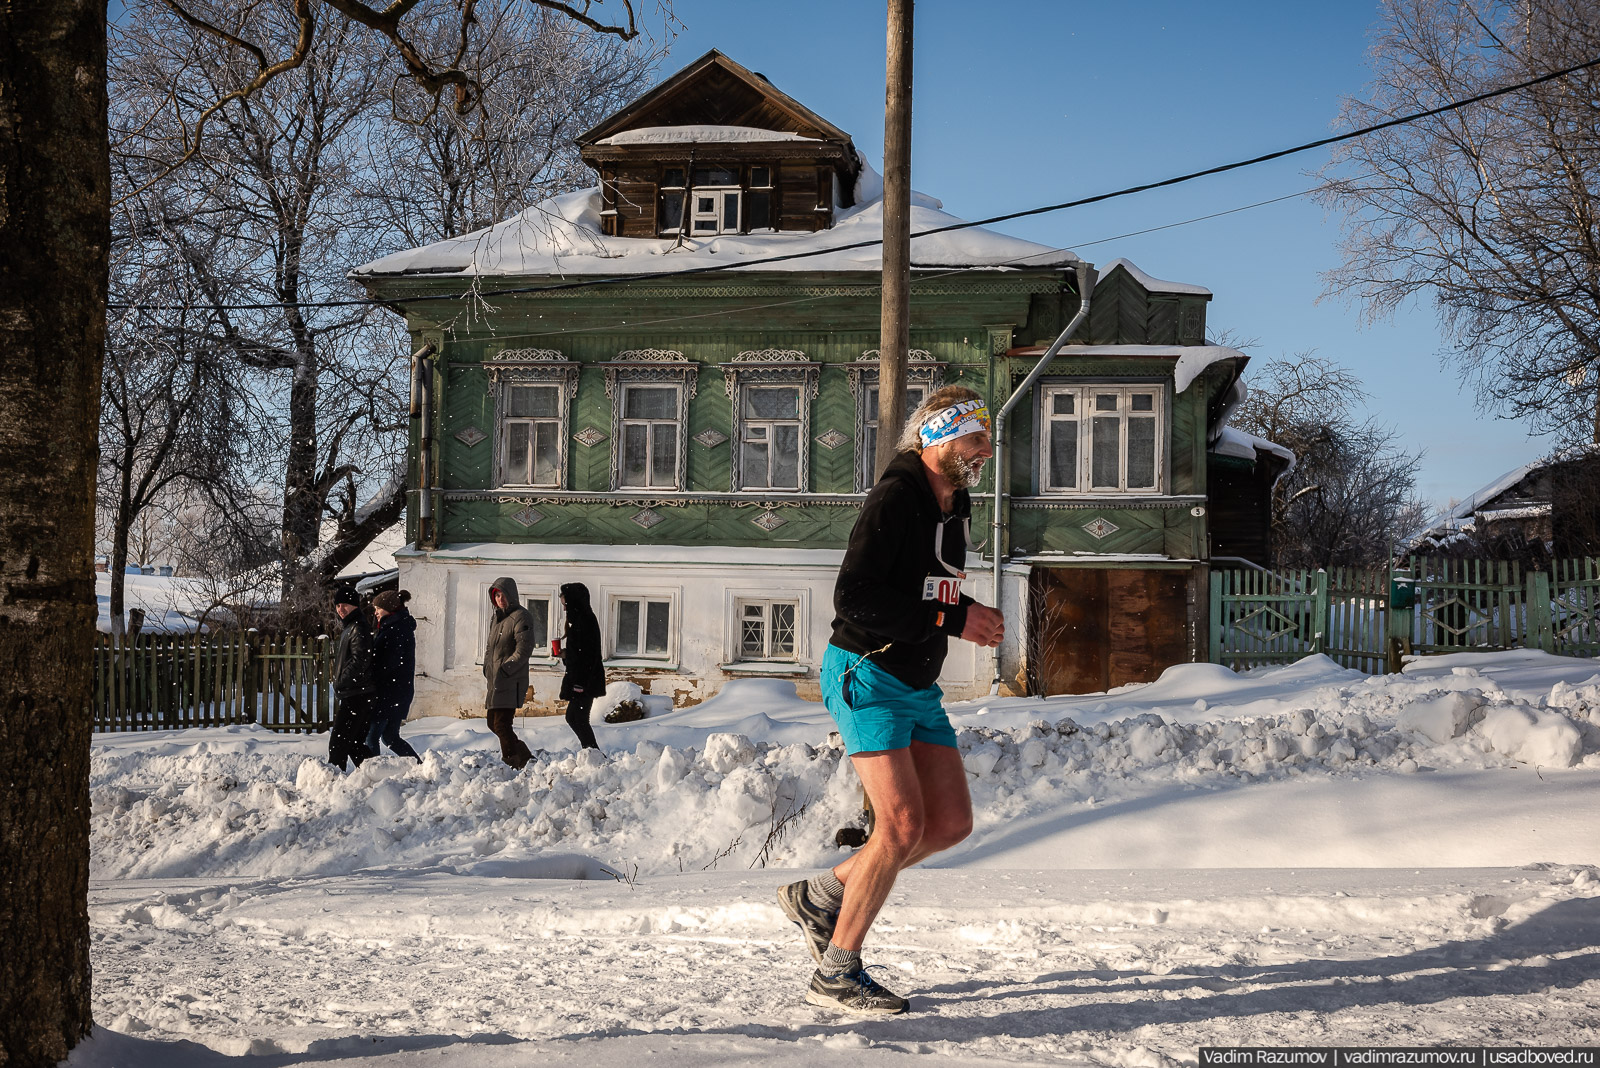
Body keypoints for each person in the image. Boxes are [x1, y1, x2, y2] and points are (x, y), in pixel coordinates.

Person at [778, 385, 1005, 1016]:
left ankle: (821, 894)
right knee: (901, 828)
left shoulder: (956, 500)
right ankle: (837, 972)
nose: (985, 451)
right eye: (974, 438)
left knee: (950, 823)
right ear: (937, 437)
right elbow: (854, 598)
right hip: (865, 675)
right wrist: (953, 622)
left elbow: (931, 589)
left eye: (986, 439)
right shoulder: (895, 498)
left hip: (914, 684)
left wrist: (967, 613)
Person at [483, 577, 535, 769]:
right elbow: (490, 647)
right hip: (495, 679)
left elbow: (524, 650)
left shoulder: (521, 616)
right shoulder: (496, 618)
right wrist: (487, 668)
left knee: (501, 724)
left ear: (511, 595)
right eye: (496, 595)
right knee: (492, 723)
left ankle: (512, 760)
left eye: (503, 594)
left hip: (510, 679)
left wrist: (506, 669)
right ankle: (524, 756)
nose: (500, 599)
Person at [366, 588, 422, 763]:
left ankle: (371, 773)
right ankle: (419, 766)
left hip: (389, 692)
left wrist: (370, 674)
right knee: (389, 737)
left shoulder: (394, 630)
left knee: (372, 736)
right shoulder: (397, 626)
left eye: (378, 608)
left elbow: (388, 663)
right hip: (397, 691)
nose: (375, 612)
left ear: (389, 608)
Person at [329, 584, 378, 771]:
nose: (341, 609)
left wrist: (342, 681)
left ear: (355, 605)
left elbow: (360, 660)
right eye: (338, 605)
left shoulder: (358, 627)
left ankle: (333, 780)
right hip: (357, 693)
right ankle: (376, 776)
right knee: (354, 744)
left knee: (338, 744)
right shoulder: (351, 626)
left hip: (358, 694)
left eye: (345, 605)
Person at [557, 582, 605, 750]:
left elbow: (587, 655)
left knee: (578, 718)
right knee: (573, 717)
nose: (562, 604)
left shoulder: (584, 620)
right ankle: (591, 752)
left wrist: (580, 684)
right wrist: (565, 654)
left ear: (573, 600)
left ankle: (594, 753)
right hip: (581, 678)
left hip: (585, 680)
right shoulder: (577, 619)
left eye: (564, 599)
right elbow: (578, 653)